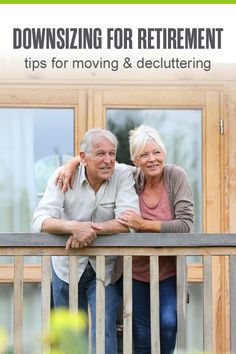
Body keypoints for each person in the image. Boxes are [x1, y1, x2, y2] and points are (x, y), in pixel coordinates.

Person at [56, 125, 194, 354]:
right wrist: (71, 164)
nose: (152, 159)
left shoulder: (175, 176)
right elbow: (97, 160)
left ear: (164, 153)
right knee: (140, 335)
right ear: (134, 160)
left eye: (156, 152)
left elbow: (185, 225)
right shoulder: (128, 176)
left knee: (169, 326)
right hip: (134, 272)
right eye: (144, 154)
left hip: (168, 271)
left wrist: (143, 225)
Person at [32, 128, 139, 354]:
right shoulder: (62, 176)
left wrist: (89, 231)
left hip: (106, 268)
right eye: (100, 153)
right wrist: (73, 227)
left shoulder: (123, 175)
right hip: (65, 267)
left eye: (112, 153)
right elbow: (39, 220)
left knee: (103, 331)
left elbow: (129, 220)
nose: (108, 160)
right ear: (83, 158)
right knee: (72, 336)